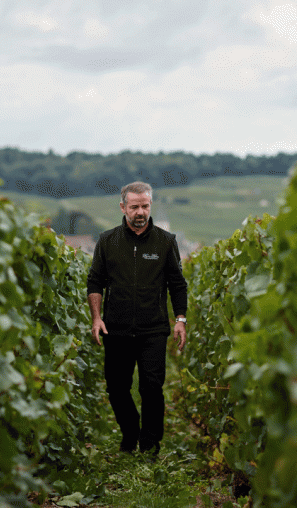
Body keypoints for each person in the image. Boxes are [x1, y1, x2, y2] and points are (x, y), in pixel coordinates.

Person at [86, 181, 188, 456]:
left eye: (144, 206)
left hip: (153, 329)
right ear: (123, 207)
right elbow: (95, 282)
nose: (140, 211)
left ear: (150, 205)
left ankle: (150, 444)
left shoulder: (166, 242)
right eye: (134, 207)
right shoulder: (107, 241)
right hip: (115, 329)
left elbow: (177, 284)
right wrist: (97, 319)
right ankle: (130, 432)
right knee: (117, 389)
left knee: (151, 387)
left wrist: (180, 319)